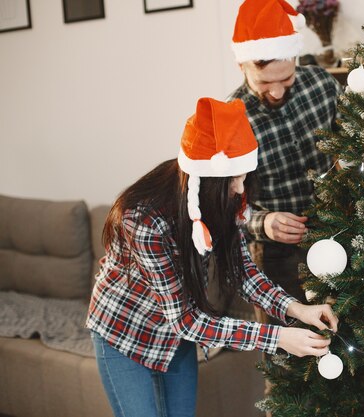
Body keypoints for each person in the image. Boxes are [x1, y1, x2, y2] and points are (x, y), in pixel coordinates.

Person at [86, 97, 338, 417]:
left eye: (244, 175)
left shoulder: (224, 199)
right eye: (234, 178)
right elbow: (186, 321)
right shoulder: (144, 219)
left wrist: (297, 308)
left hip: (176, 339)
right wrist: (278, 337)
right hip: (124, 333)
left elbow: (243, 273)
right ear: (206, 178)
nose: (240, 188)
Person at [229, 0, 343, 306]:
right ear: (242, 66)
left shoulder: (322, 84)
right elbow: (222, 208)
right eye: (265, 82)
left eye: (286, 79)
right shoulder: (231, 120)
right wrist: (262, 223)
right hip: (276, 254)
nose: (277, 91)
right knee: (289, 346)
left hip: (339, 231)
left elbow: (356, 144)